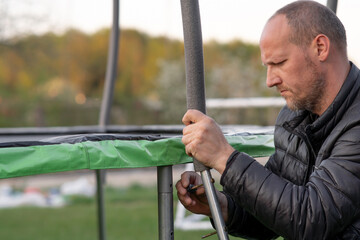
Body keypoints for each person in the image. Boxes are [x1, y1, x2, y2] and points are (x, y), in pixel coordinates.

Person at [176, 1, 360, 239]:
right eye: (267, 66)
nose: (270, 80)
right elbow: (277, 211)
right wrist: (221, 205)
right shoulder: (293, 117)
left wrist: (223, 157)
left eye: (279, 63)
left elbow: (310, 218)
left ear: (321, 48)